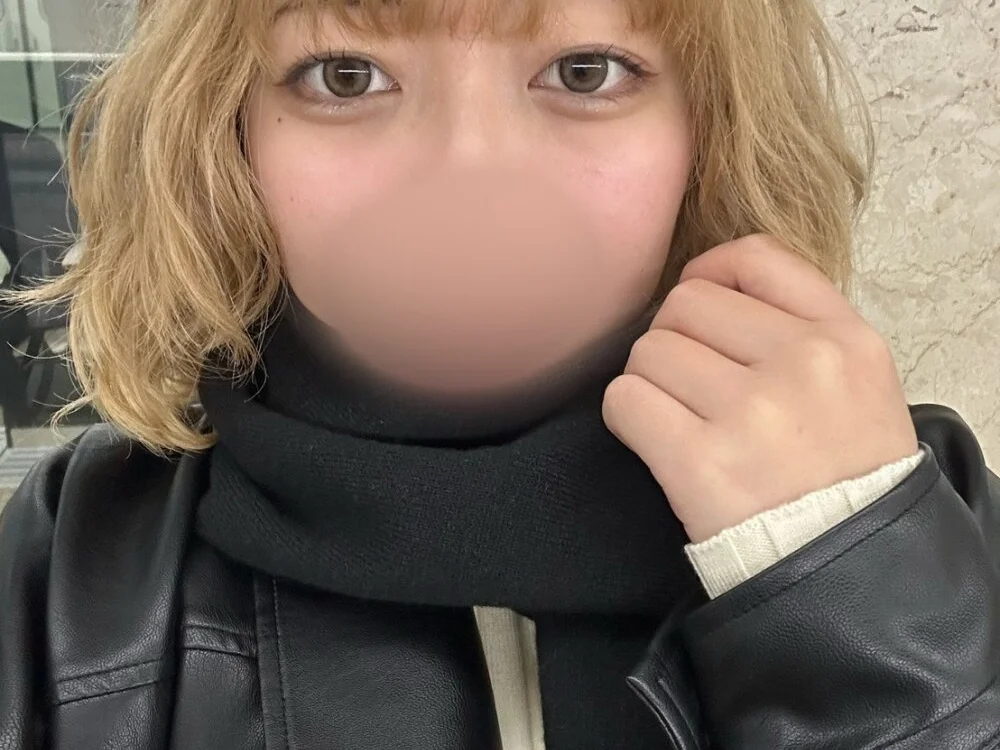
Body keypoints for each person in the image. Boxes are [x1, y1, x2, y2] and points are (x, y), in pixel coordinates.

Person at [1, 0, 998, 748]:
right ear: (227, 129)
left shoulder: (902, 511)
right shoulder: (74, 570)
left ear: (711, 126)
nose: (468, 187)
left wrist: (843, 581)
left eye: (584, 71)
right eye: (345, 76)